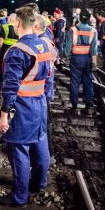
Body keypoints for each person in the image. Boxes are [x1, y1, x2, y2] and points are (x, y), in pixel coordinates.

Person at [0, 6, 51, 208]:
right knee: (40, 142)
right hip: (40, 104)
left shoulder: (17, 51)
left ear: (17, 23)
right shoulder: (46, 45)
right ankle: (40, 182)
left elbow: (10, 88)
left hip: (23, 108)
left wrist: (3, 115)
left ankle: (20, 197)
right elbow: (49, 80)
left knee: (19, 149)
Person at [64, 8, 98, 116]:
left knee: (75, 83)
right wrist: (94, 63)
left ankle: (74, 107)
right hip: (87, 60)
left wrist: (65, 57)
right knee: (88, 82)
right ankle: (88, 107)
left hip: (76, 60)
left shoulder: (72, 30)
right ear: (89, 19)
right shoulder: (93, 31)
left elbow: (67, 49)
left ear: (79, 17)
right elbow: (94, 50)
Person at [34, 14, 58, 164]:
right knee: (44, 124)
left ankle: (47, 156)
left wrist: (43, 94)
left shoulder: (41, 44)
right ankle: (47, 155)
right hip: (42, 92)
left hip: (40, 93)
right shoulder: (45, 40)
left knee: (43, 125)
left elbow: (47, 74)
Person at [0, 13, 18, 92]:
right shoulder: (19, 28)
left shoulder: (5, 27)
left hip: (5, 51)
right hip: (16, 52)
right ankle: (12, 88)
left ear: (10, 19)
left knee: (1, 70)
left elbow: (0, 41)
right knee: (14, 70)